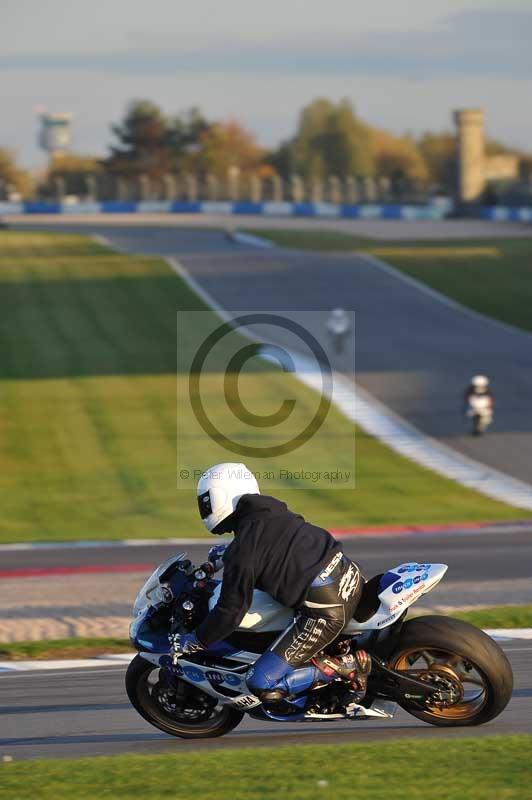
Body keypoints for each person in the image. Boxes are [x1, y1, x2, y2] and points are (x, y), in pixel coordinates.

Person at [169, 462, 370, 709]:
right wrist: (219, 561)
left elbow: (229, 613)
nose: (205, 508)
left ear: (221, 496)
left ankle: (346, 666)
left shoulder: (244, 551)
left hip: (325, 610)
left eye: (206, 501)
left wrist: (197, 640)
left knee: (261, 682)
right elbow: (267, 545)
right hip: (349, 575)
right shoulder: (273, 511)